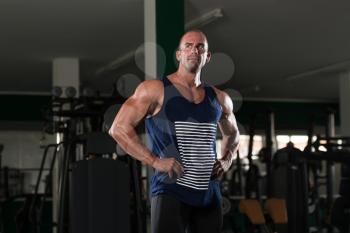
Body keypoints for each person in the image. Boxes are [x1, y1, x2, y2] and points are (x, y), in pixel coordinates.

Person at [109, 29, 240, 233]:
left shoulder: (220, 98)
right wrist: (154, 161)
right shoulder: (154, 89)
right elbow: (118, 128)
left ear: (208, 56)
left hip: (209, 194)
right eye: (188, 46)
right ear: (179, 54)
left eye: (200, 47)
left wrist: (227, 159)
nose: (194, 51)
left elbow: (232, 134)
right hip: (171, 191)